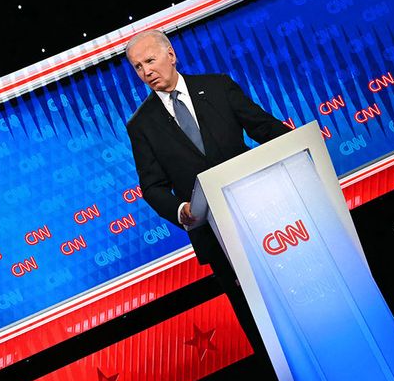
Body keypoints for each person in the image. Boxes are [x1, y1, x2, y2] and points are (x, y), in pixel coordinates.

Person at [124, 29, 290, 352]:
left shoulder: (217, 86)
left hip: (264, 214)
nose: (146, 72)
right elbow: (153, 186)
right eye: (138, 67)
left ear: (170, 55)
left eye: (150, 60)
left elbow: (263, 127)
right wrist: (181, 210)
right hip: (215, 236)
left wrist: (299, 144)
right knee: (257, 321)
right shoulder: (140, 125)